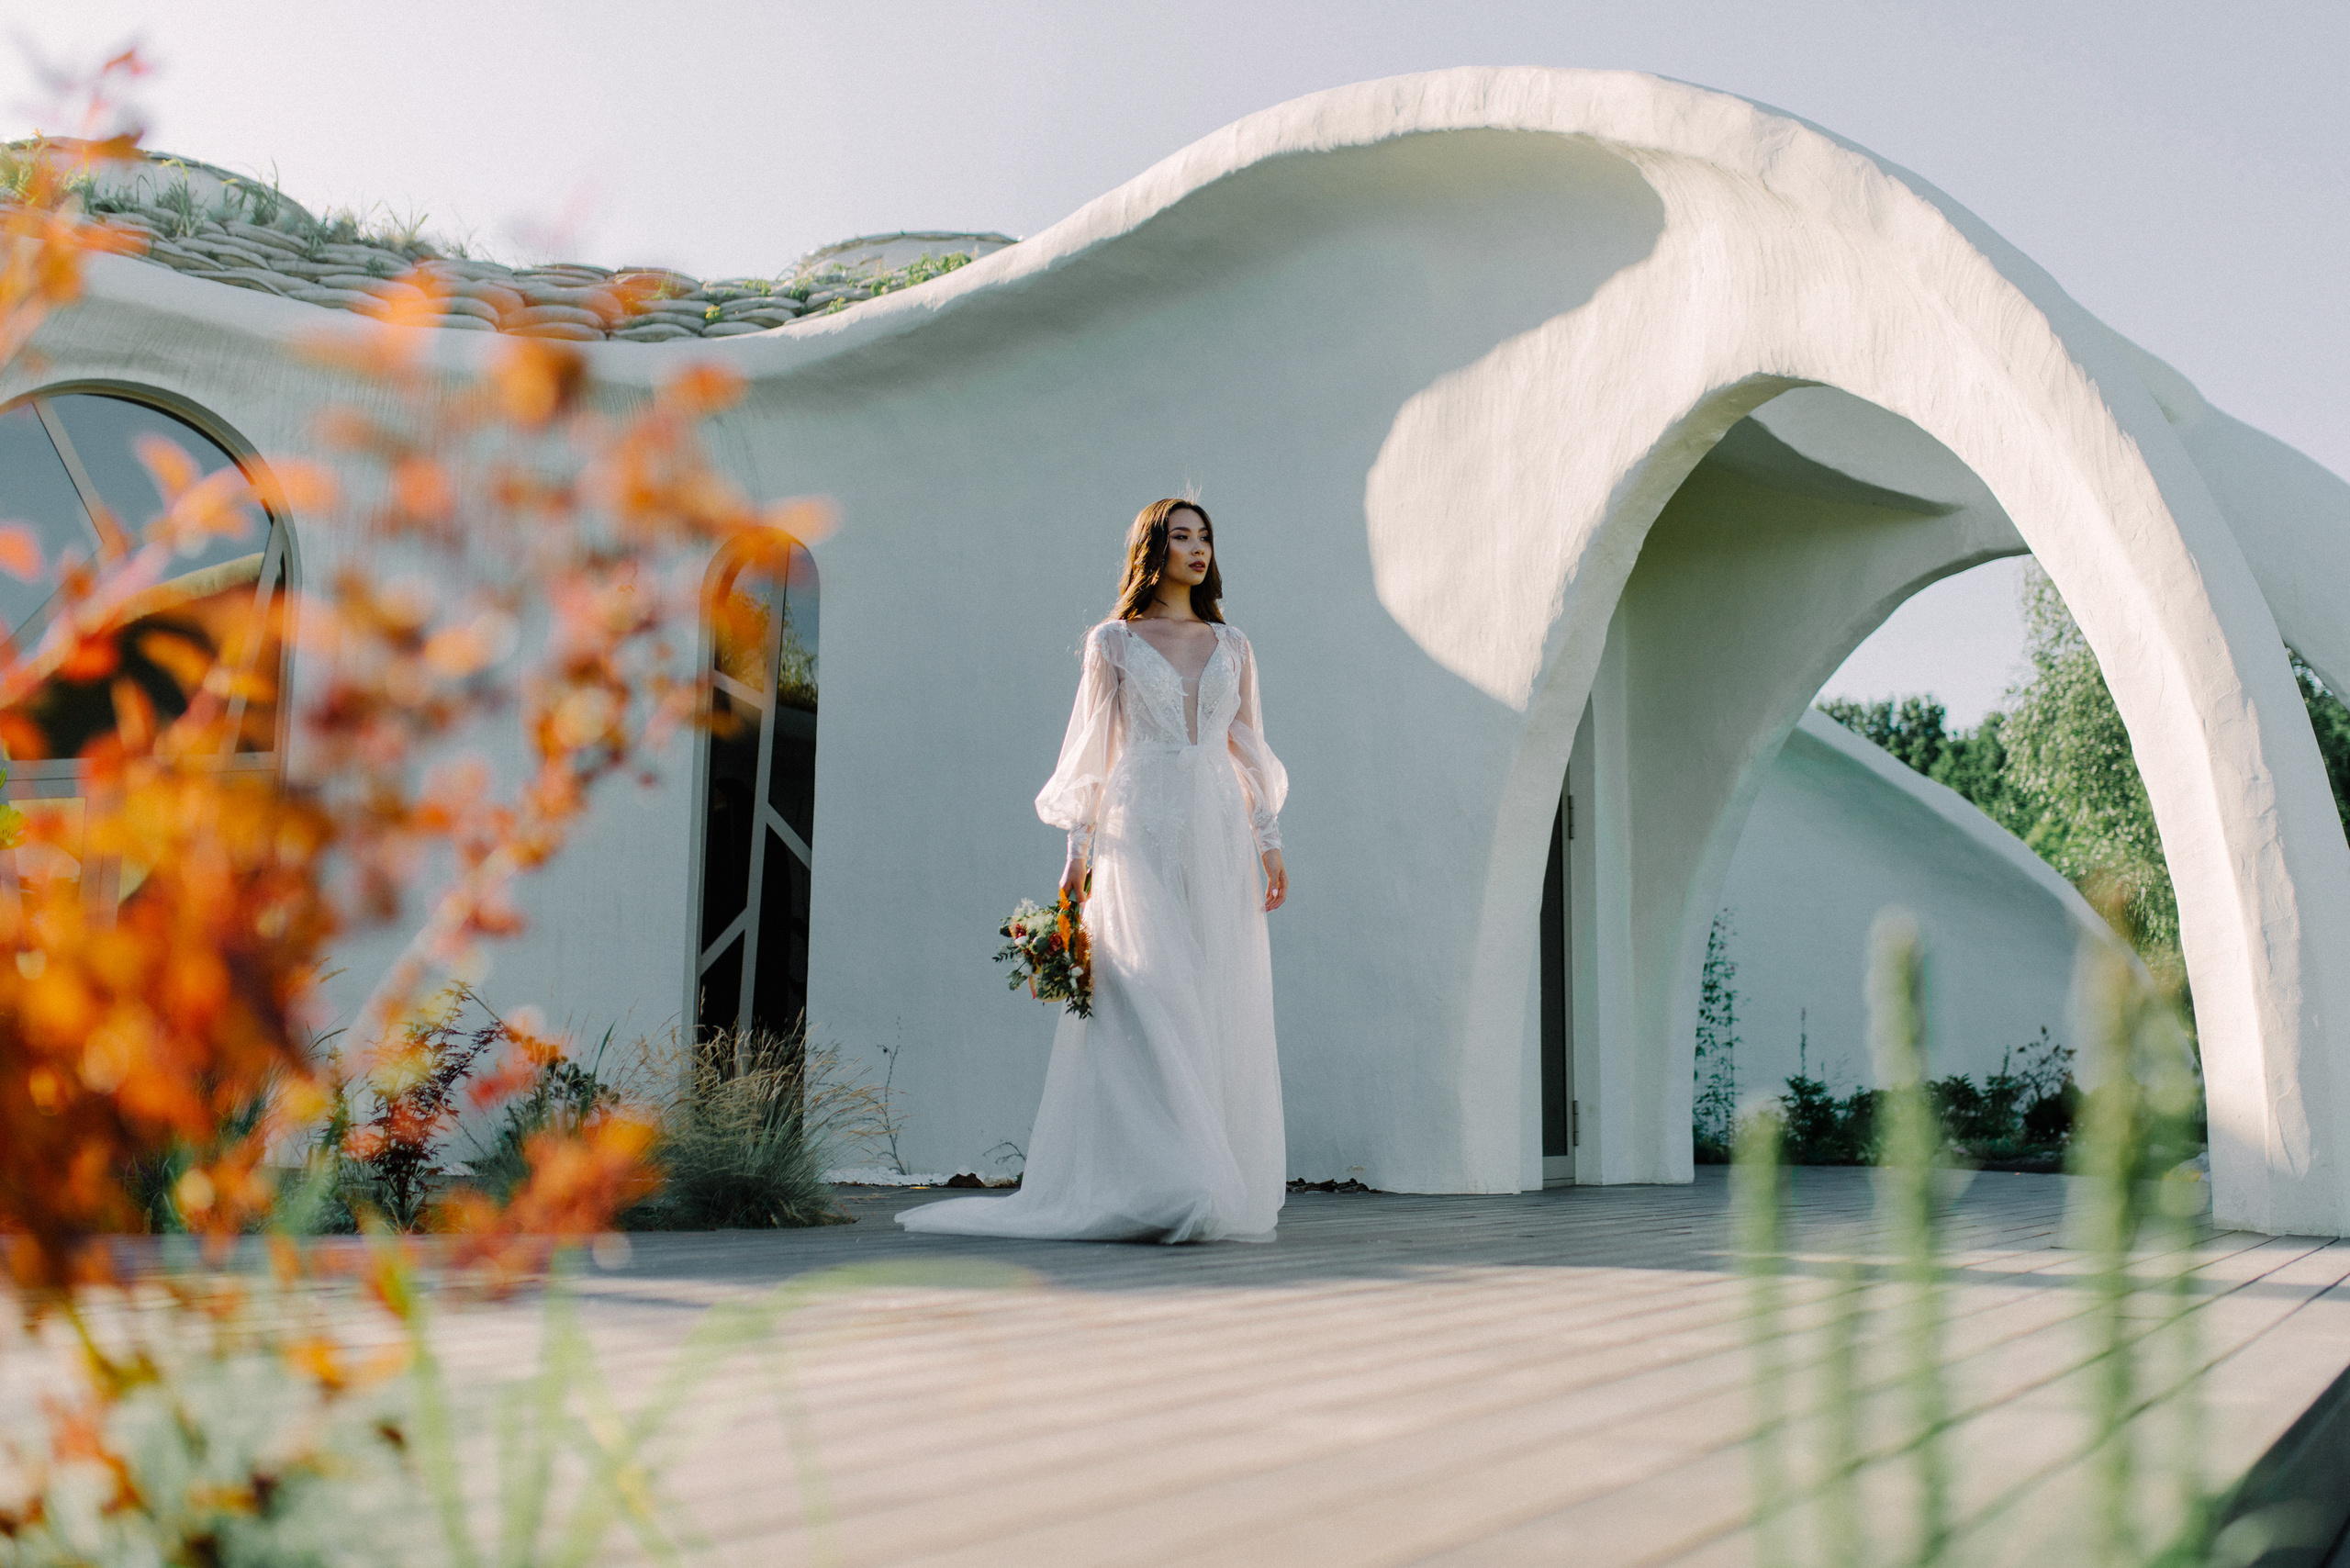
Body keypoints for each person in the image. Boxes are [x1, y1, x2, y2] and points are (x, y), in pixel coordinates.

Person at [899, 498, 1290, 1243]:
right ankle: (1174, 1177)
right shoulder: (1111, 642)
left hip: (1214, 830)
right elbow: (1092, 757)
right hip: (1136, 825)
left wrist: (1267, 840)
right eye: (1182, 536)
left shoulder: (1233, 644)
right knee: (1148, 995)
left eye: (1205, 537)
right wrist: (1075, 861)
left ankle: (1209, 1174)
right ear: (1154, 547)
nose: (1197, 549)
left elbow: (1246, 745)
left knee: (1215, 995)